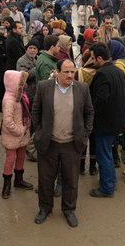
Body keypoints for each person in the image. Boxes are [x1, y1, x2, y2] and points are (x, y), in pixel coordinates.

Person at [32, 59, 94, 228]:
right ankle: (45, 208)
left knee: (71, 180)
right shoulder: (44, 87)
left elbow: (89, 112)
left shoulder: (82, 89)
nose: (69, 75)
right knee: (46, 180)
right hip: (49, 143)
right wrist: (39, 131)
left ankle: (69, 210)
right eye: (66, 72)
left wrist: (85, 134)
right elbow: (36, 111)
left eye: (72, 71)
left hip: (72, 144)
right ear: (57, 72)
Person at [88, 42, 125, 198]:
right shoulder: (118, 71)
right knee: (108, 153)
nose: (91, 61)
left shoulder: (102, 74)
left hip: (105, 122)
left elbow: (101, 100)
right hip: (116, 120)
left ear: (99, 58)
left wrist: (92, 115)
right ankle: (111, 180)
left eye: (92, 58)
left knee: (103, 154)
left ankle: (106, 188)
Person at [1, 71, 34, 199]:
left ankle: (18, 180)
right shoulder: (9, 100)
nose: (24, 84)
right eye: (21, 82)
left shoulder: (21, 96)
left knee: (21, 156)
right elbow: (8, 121)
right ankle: (6, 185)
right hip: (14, 134)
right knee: (10, 159)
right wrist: (19, 131)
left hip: (23, 133)